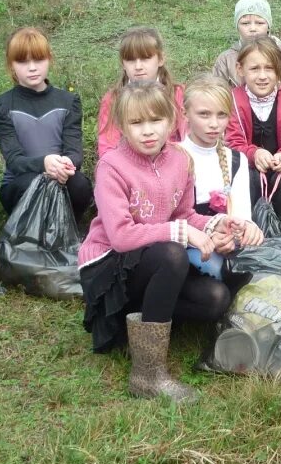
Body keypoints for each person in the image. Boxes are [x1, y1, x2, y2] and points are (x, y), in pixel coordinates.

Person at [79, 81, 239, 403]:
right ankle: (147, 375)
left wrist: (216, 223)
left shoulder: (180, 160)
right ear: (122, 126)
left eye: (156, 121)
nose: (148, 131)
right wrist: (181, 232)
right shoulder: (111, 167)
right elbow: (122, 236)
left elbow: (185, 213)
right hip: (109, 266)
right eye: (137, 123)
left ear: (172, 121)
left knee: (215, 298)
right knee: (173, 254)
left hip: (153, 263)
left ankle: (141, 324)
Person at [0, 27, 92, 221]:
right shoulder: (1, 105)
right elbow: (14, 159)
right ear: (11, 65)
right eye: (23, 61)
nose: (32, 67)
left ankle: (67, 226)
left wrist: (66, 165)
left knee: (80, 186)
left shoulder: (69, 101)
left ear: (49, 59)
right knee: (29, 184)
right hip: (20, 183)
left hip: (62, 176)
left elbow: (74, 151)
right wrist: (44, 164)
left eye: (38, 59)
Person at [226, 37, 281, 238]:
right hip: (249, 169)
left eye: (269, 68)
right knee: (247, 176)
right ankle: (252, 220)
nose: (262, 76)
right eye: (254, 69)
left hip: (280, 169)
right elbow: (230, 142)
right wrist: (253, 154)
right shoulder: (231, 101)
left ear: (279, 70)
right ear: (240, 69)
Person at [181, 75, 265, 278]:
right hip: (186, 244)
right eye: (204, 114)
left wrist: (248, 228)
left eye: (221, 115)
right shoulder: (175, 157)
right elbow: (166, 219)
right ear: (185, 114)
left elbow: (242, 215)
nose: (214, 124)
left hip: (226, 242)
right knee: (215, 271)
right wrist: (207, 237)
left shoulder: (236, 159)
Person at [212, 0, 281, 110]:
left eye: (259, 23)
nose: (253, 28)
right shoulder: (226, 59)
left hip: (279, 119)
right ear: (237, 26)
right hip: (238, 120)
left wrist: (278, 90)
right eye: (245, 23)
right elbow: (215, 95)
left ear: (268, 26)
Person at [97, 26, 186, 157]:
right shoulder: (113, 99)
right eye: (131, 60)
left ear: (160, 59)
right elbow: (107, 148)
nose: (138, 67)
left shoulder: (178, 93)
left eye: (145, 58)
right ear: (123, 63)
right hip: (128, 169)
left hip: (173, 165)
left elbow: (188, 141)